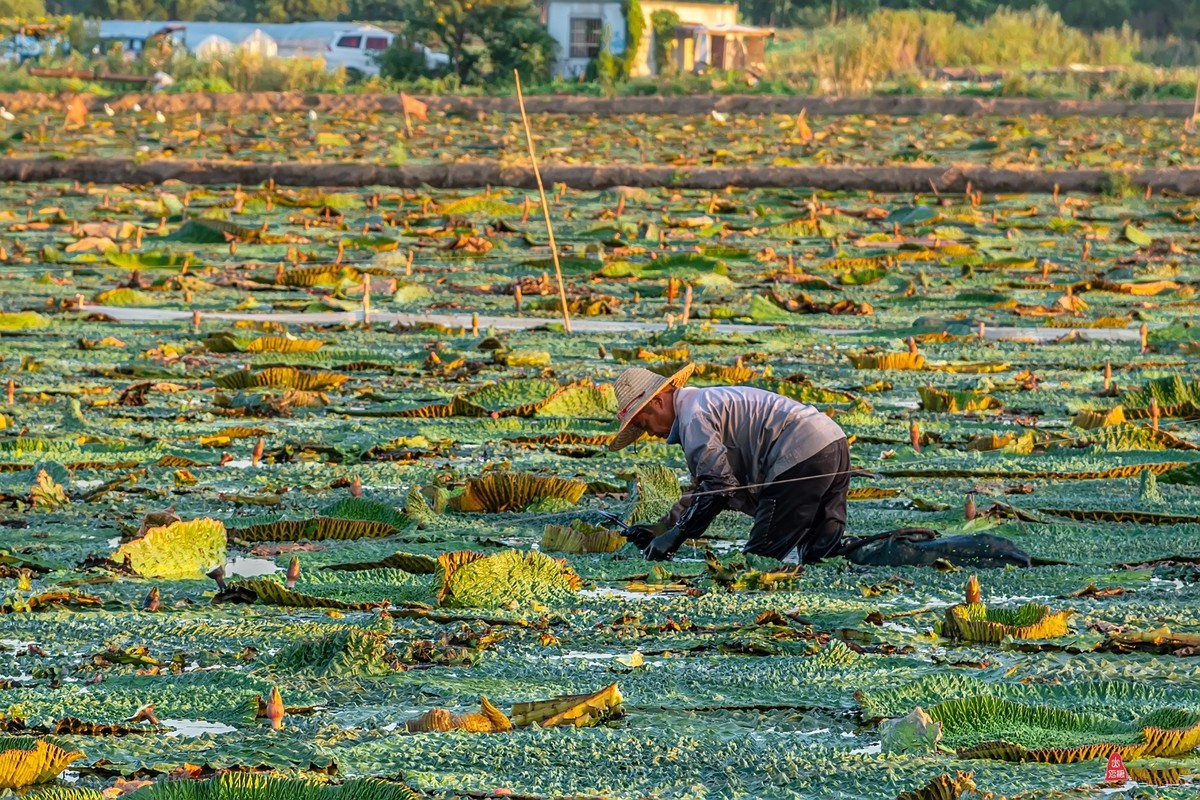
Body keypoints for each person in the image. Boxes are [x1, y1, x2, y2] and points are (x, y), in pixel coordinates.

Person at [610, 363, 850, 562]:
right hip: (833, 440)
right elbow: (705, 488)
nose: (650, 434)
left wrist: (675, 536)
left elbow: (719, 487)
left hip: (800, 452)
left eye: (643, 424)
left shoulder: (693, 417)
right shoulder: (703, 403)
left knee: (758, 561)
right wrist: (662, 528)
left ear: (658, 402)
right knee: (822, 555)